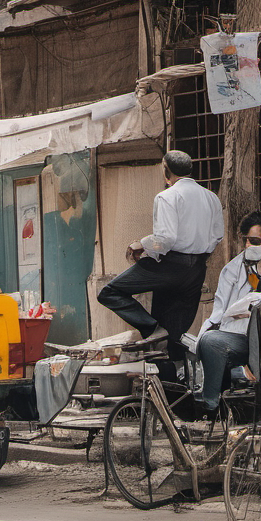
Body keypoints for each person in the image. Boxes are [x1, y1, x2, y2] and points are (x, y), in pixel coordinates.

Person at [97, 150, 222, 368]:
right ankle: (175, 386)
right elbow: (217, 236)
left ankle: (152, 328)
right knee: (172, 342)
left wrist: (141, 244)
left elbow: (164, 241)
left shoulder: (167, 196)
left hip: (170, 265)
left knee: (109, 292)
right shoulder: (212, 198)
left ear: (166, 170)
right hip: (196, 271)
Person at [195, 211, 261, 413]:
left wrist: (252, 306)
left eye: (254, 240)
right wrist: (202, 335)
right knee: (207, 341)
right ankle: (215, 406)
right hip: (234, 335)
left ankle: (214, 406)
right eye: (246, 241)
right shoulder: (232, 269)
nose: (249, 245)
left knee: (213, 342)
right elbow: (218, 310)